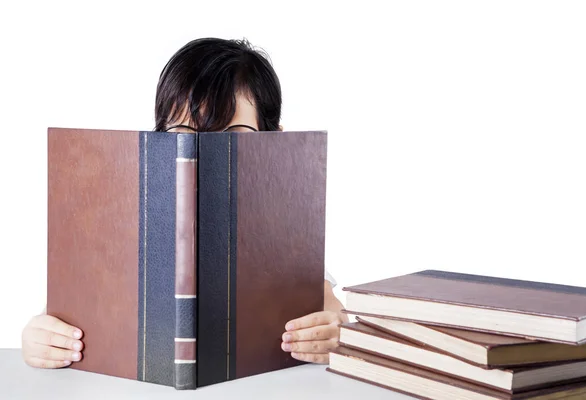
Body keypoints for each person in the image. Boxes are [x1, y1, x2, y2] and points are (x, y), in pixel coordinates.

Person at [21, 37, 348, 369]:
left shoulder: (285, 237)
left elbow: (332, 311)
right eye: (180, 133)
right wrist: (41, 339)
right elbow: (58, 320)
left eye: (232, 134)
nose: (204, 154)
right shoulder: (117, 223)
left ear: (275, 141)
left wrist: (340, 333)